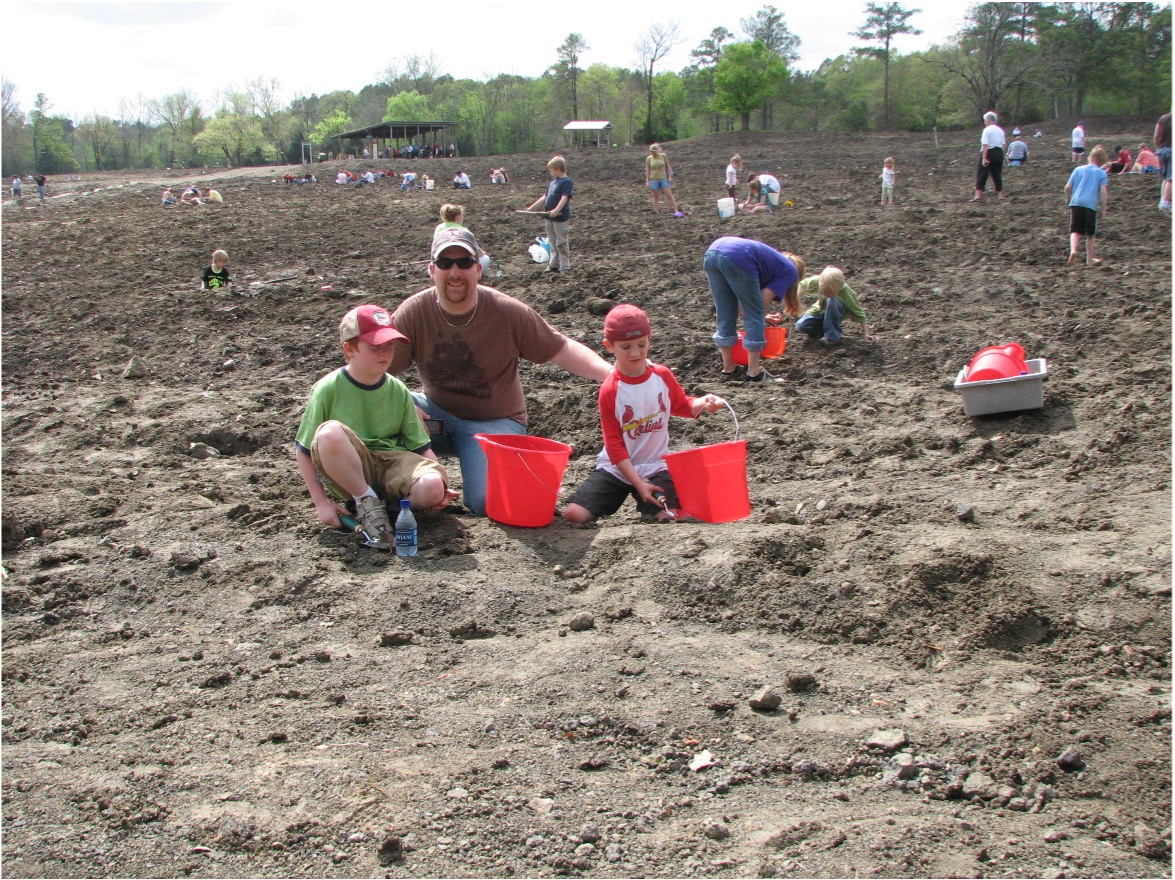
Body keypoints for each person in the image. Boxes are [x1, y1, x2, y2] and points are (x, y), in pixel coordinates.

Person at [389, 226, 610, 516]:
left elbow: (560, 348)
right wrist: (401, 403)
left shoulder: (506, 311)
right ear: (432, 270)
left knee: (485, 504)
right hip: (436, 415)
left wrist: (613, 374)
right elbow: (376, 368)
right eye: (445, 264)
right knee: (379, 414)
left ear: (478, 269)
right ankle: (376, 497)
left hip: (493, 422)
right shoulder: (413, 312)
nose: (455, 272)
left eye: (464, 263)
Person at [295, 305, 452, 548]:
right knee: (329, 433)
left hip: (390, 465)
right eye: (375, 346)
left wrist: (443, 485)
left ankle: (382, 508)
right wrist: (321, 502)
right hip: (349, 470)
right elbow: (304, 450)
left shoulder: (398, 389)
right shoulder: (328, 389)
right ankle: (366, 502)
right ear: (349, 349)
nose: (385, 353)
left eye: (389, 345)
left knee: (431, 484)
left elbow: (421, 446)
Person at [562, 304, 727, 525]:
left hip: (656, 465)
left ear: (650, 338)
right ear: (609, 346)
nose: (636, 353)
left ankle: (655, 506)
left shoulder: (662, 376)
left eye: (642, 344)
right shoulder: (611, 390)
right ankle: (629, 492)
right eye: (626, 346)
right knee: (573, 515)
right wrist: (639, 483)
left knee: (670, 516)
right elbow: (614, 445)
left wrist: (705, 403)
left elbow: (682, 405)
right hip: (617, 468)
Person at [703, 236, 805, 383]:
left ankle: (728, 368)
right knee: (754, 315)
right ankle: (754, 372)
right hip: (738, 257)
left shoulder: (771, 263)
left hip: (713, 252)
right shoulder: (790, 272)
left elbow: (739, 307)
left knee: (725, 311)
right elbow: (756, 307)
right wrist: (761, 316)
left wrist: (764, 315)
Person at [795, 267, 878, 346]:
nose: (826, 295)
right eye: (824, 292)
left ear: (839, 288)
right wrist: (796, 303)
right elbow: (801, 285)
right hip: (820, 310)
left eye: (830, 293)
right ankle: (823, 331)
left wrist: (866, 334)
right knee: (800, 326)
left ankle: (832, 337)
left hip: (836, 311)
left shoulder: (846, 292)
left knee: (832, 300)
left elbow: (859, 312)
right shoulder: (817, 281)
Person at [522, 155, 573, 275]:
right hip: (548, 217)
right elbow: (544, 197)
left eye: (551, 170)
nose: (550, 172)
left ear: (557, 169)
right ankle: (553, 265)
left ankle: (565, 266)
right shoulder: (552, 183)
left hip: (560, 217)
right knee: (552, 242)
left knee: (561, 242)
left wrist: (556, 210)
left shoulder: (566, 182)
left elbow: (564, 198)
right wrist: (531, 208)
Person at [1065, 144, 1109, 267]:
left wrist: (1068, 200)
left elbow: (1067, 187)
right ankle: (1089, 260)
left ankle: (1073, 250)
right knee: (1090, 234)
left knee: (1075, 230)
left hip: (1076, 202)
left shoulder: (1078, 169)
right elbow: (1103, 192)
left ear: (1090, 157)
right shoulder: (1101, 173)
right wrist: (1103, 209)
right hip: (1090, 205)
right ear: (1101, 161)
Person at [434, 203, 491, 273]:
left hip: (442, 266)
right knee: (485, 258)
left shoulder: (439, 228)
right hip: (462, 266)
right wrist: (483, 253)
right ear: (458, 217)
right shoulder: (464, 231)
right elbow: (476, 251)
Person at [971, 110, 1006, 202]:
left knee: (982, 173)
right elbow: (1003, 145)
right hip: (999, 153)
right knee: (997, 174)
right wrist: (1002, 156)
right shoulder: (1001, 131)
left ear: (989, 120)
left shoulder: (987, 130)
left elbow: (985, 144)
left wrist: (984, 158)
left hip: (989, 152)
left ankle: (977, 196)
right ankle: (1000, 195)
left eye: (985, 120)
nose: (984, 122)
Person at [644, 144, 682, 217]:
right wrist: (647, 180)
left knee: (669, 195)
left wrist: (669, 176)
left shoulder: (663, 156)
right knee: (656, 196)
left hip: (663, 178)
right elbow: (648, 170)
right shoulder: (649, 158)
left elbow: (667, 166)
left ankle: (676, 211)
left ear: (658, 151)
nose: (653, 153)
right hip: (654, 179)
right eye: (652, 152)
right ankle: (657, 212)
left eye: (654, 152)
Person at [1154, 111, 1171, 212]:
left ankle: (1162, 201)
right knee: (1171, 179)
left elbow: (1156, 135)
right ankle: (1165, 202)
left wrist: (1156, 146)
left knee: (1165, 178)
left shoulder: (1162, 118)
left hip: (1161, 150)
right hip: (1171, 150)